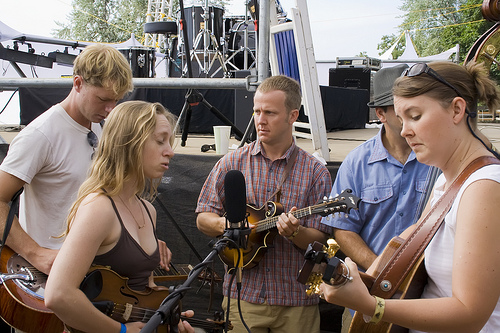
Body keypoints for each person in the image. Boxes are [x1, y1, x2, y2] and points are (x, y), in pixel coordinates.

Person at [319, 61, 500, 333]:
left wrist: (372, 305)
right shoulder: (446, 180)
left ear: (457, 109)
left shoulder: (483, 187)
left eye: (415, 116)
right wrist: (364, 279)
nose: (404, 130)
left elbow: (469, 313)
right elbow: (407, 242)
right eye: (401, 119)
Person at [196, 75, 333, 333]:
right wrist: (233, 225)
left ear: (292, 116)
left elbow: (321, 239)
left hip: (296, 300)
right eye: (257, 111)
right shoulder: (231, 163)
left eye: (270, 112)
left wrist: (295, 232)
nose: (260, 120)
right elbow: (203, 217)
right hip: (243, 295)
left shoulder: (315, 173)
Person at [45, 101, 194, 333]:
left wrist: (165, 318)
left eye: (169, 142)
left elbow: (141, 291)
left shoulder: (148, 210)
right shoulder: (99, 208)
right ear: (130, 143)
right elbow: (58, 295)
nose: (170, 151)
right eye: (160, 141)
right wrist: (120, 330)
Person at [0, 44, 135, 275]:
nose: (111, 109)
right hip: (51, 275)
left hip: (97, 270)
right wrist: (34, 253)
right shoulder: (40, 134)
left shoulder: (101, 126)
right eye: (103, 99)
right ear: (78, 83)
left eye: (117, 100)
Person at [323, 64, 431, 272]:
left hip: (430, 291)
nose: (413, 113)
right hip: (371, 289)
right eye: (402, 108)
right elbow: (342, 229)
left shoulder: (439, 157)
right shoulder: (356, 163)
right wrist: (381, 270)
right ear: (381, 113)